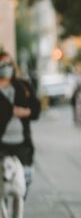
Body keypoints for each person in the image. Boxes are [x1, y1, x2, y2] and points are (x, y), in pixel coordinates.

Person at [0, 51, 40, 192]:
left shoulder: (22, 86)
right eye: (3, 64)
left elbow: (36, 110)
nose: (6, 67)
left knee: (23, 182)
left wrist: (25, 112)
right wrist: (10, 110)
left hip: (22, 143)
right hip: (2, 145)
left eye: (9, 63)